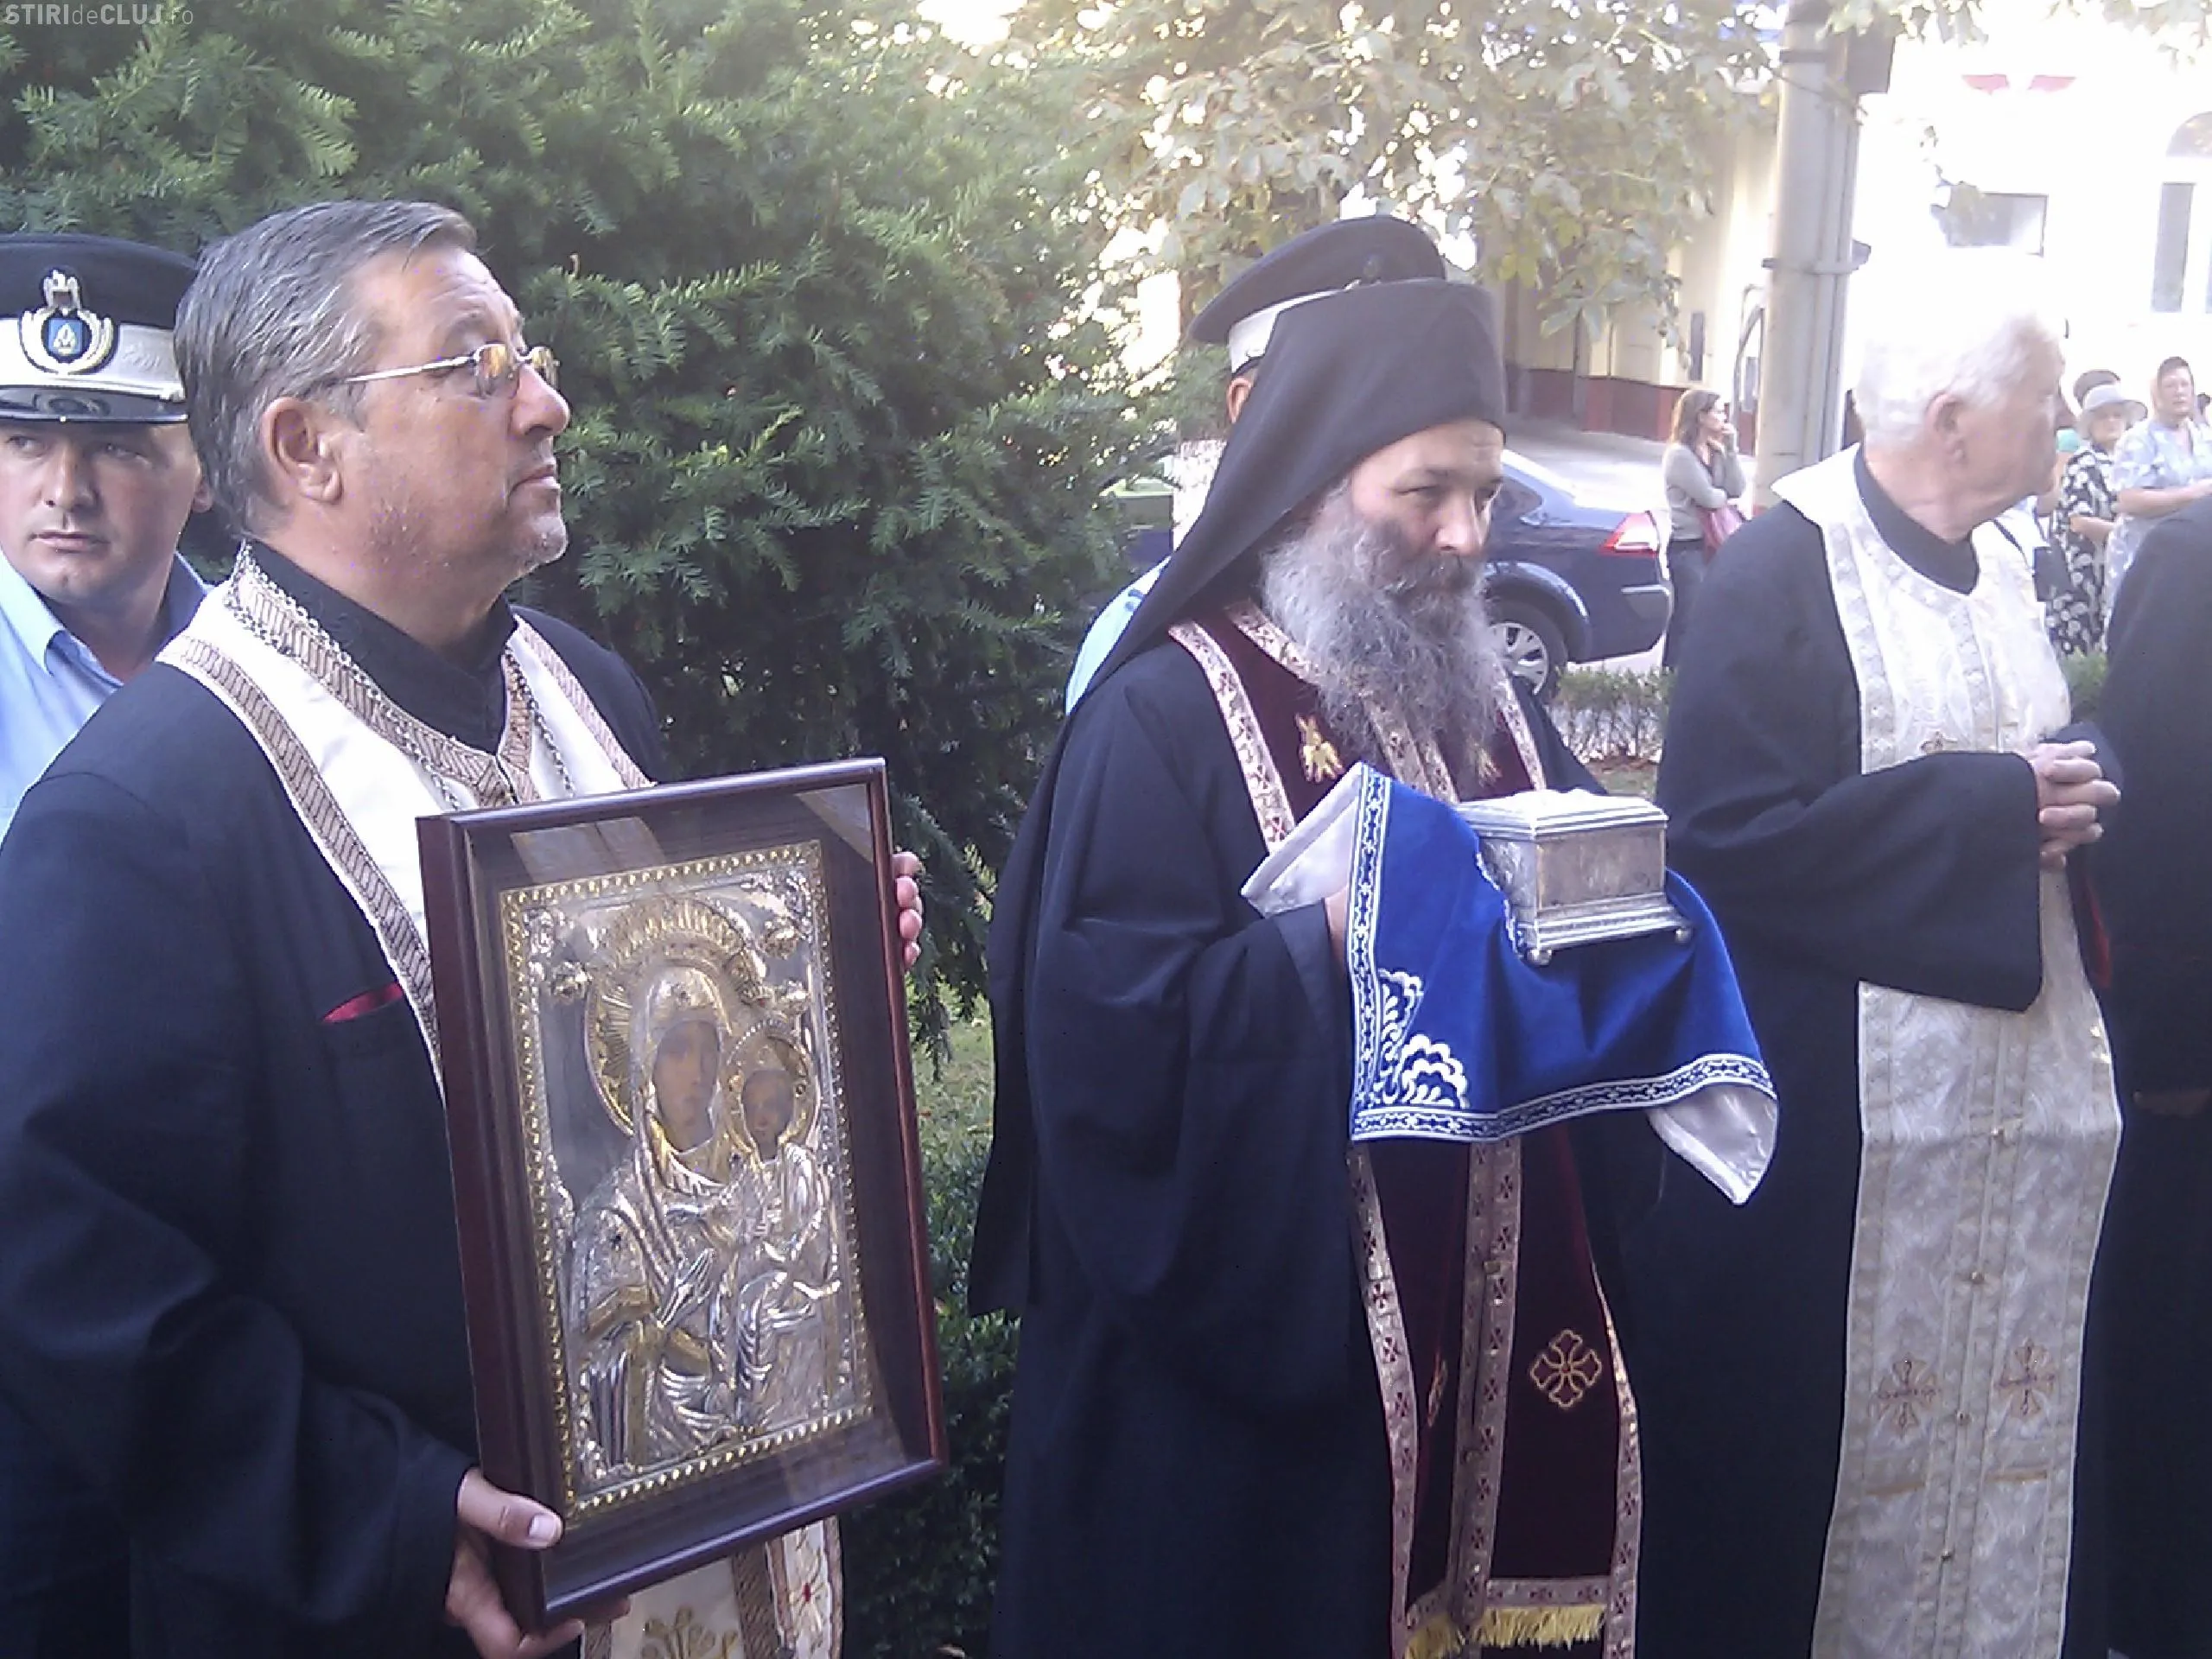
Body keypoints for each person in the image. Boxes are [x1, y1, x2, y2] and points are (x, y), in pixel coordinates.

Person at [0, 200, 922, 1659]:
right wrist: (382, 1513)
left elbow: (659, 1068)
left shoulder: (588, 691)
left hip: (703, 1526)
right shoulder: (140, 813)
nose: (545, 404)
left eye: (527, 357)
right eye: (475, 365)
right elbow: (78, 1276)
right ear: (307, 446)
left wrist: (818, 972)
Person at [970, 263, 1779, 1658]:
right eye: (1425, 492)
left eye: (1487, 493)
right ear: (1309, 483)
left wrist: (1622, 913)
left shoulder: (1494, 709)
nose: (1466, 535)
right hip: (1268, 1416)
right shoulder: (1164, 716)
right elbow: (1104, 1052)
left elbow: (1585, 904)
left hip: (1499, 1330)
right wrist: (1333, 944)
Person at [1626, 276, 2121, 1655]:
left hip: (2014, 1133)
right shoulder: (1781, 568)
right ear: (1955, 421)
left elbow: (2028, 748)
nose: (2064, 428)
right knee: (1809, 1490)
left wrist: (2077, 781)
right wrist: (1991, 810)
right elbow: (1720, 841)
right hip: (1836, 1146)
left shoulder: (2007, 560)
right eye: (2045, 403)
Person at [0, 232, 213, 1659]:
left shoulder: (273, 674)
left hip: (247, 1337)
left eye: (120, 445)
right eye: (23, 440)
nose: (63, 489)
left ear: (207, 465)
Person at [1063, 214, 1446, 705]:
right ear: (1248, 407)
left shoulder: (1434, 628)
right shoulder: (1143, 668)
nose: (1377, 435)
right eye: (1342, 401)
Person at [2086, 486, 2212, 1659]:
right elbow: (2157, 813)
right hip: (2191, 1069)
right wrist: (2172, 1044)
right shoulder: (2191, 558)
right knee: (2173, 1362)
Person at [2106, 355, 2212, 616]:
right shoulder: (2138, 439)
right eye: (2170, 385)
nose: (2179, 392)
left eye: (2185, 385)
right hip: (2146, 557)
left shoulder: (2204, 436)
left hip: (2194, 556)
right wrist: (2194, 494)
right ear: (2156, 393)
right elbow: (2129, 500)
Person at [2045, 382, 2142, 655]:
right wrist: (2129, 536)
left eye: (2117, 415)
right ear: (2090, 424)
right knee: (2086, 653)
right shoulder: (2084, 461)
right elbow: (2080, 521)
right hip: (2084, 575)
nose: (2111, 422)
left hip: (2115, 567)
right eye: (2103, 416)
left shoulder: (2130, 461)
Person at [1657, 387, 1745, 668]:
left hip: (1715, 546)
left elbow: (1737, 488)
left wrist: (1731, 450)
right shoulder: (1679, 455)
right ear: (1700, 416)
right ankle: (1671, 679)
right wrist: (1722, 497)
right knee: (1687, 618)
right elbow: (1708, 497)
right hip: (1689, 547)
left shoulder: (1716, 451)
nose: (1724, 417)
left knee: (1712, 618)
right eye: (1718, 411)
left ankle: (1698, 675)